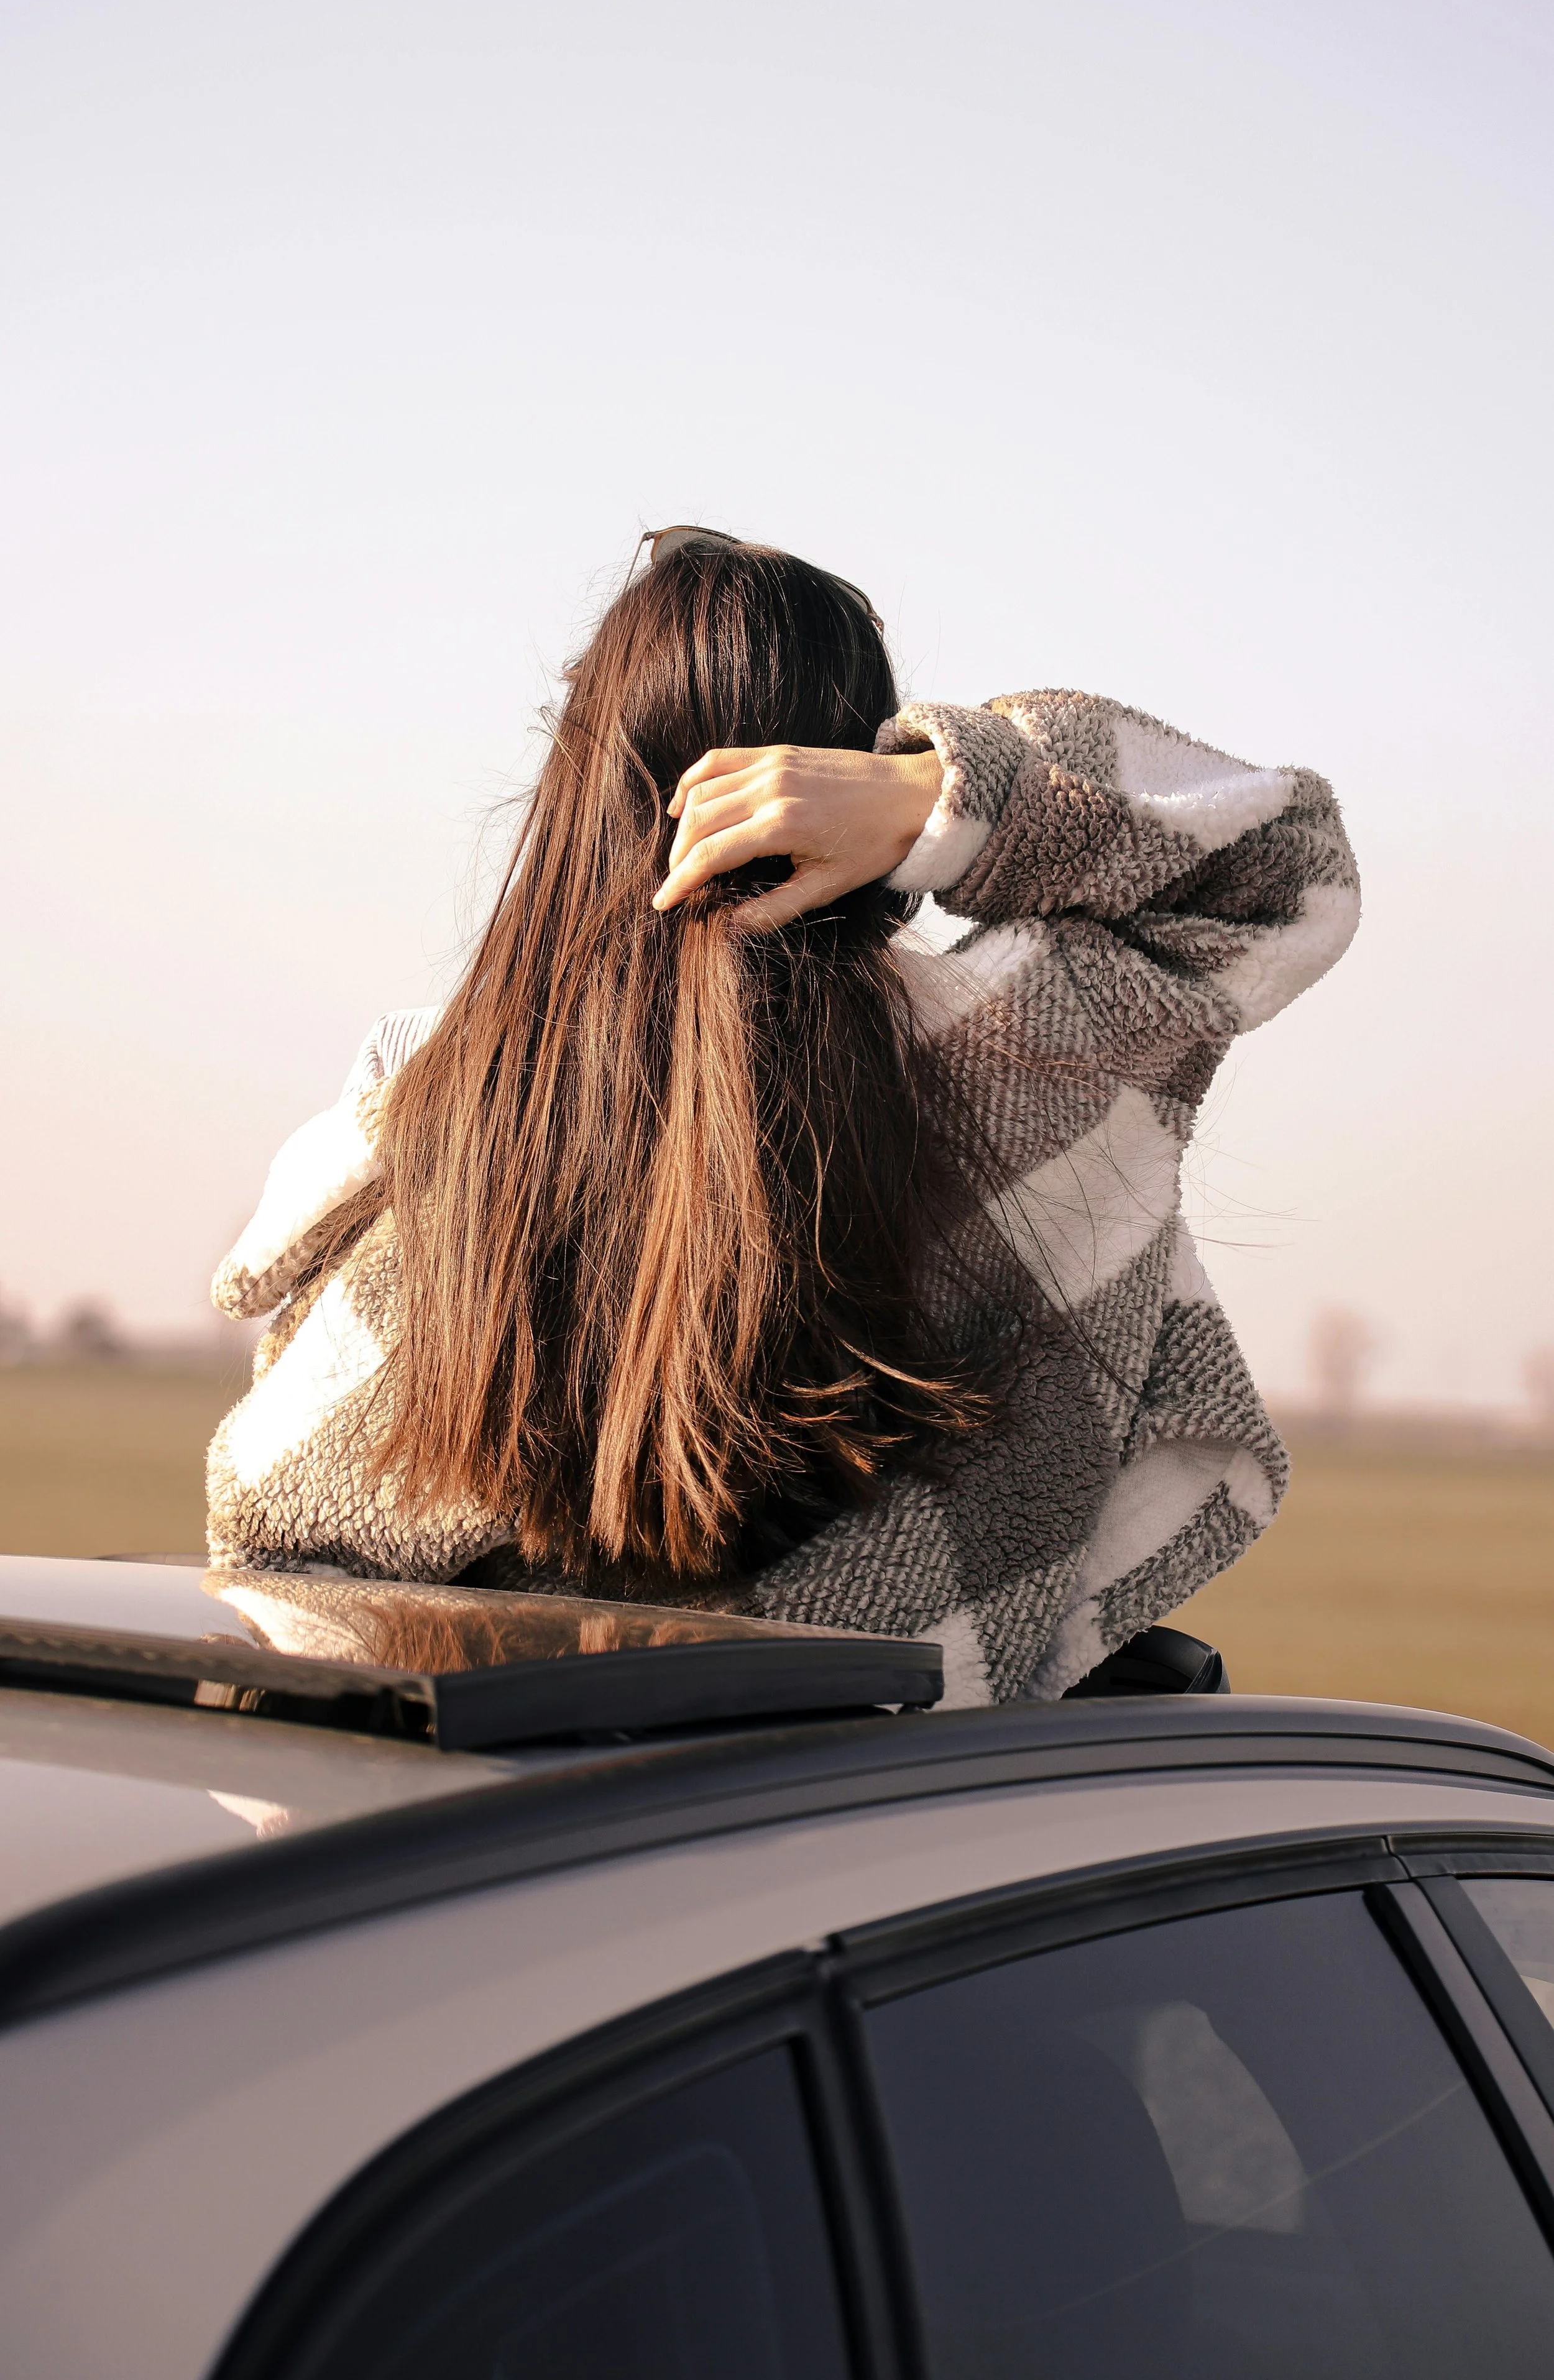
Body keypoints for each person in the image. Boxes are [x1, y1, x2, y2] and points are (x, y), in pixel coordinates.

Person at [207, 527, 1359, 1705]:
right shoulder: (1024, 1066)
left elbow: (281, 1542)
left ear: (580, 785)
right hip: (901, 1850)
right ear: (842, 771)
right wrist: (938, 792)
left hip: (523, 1858)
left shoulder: (456, 1124)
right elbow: (1287, 865)